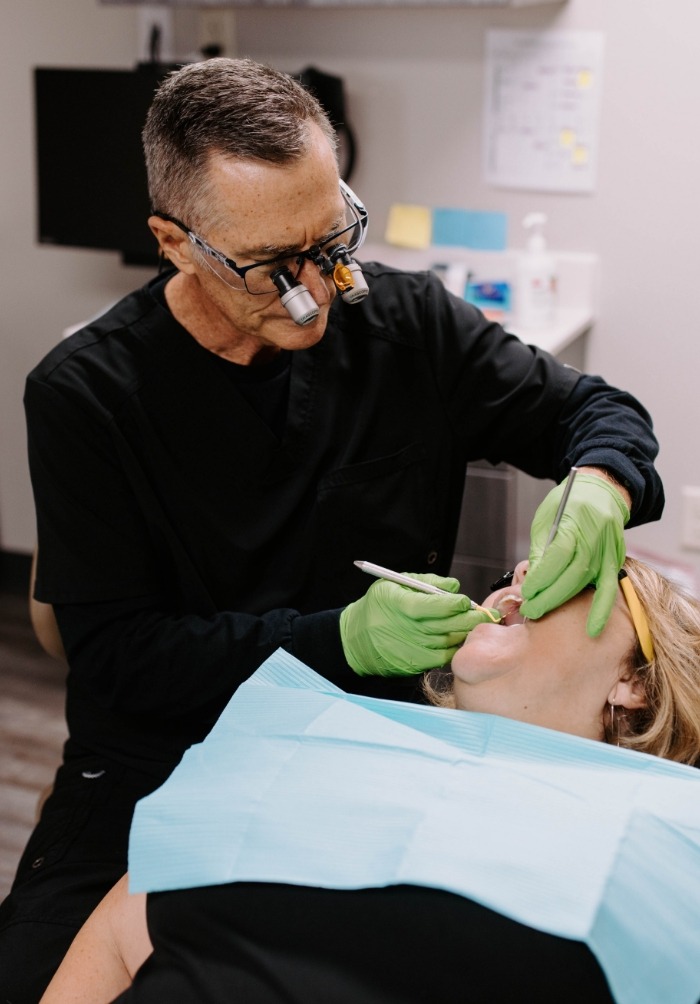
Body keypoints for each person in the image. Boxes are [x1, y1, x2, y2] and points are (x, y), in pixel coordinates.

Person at [1, 56, 664, 999]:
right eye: (278, 266)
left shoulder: (403, 322)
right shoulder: (88, 399)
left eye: (335, 233)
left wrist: (602, 478)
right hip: (167, 748)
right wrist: (341, 637)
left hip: (375, 735)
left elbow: (596, 410)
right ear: (175, 241)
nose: (329, 281)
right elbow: (119, 661)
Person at [39, 555, 700, 1004]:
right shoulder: (314, 735)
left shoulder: (664, 824)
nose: (525, 569)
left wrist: (604, 469)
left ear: (634, 681)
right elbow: (122, 936)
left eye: (578, 571)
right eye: (527, 564)